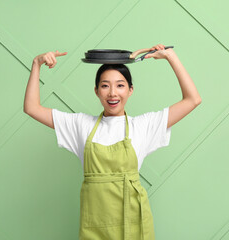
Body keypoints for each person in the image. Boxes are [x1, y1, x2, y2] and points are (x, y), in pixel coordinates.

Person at [23, 44, 201, 240]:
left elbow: (192, 99)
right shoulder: (80, 125)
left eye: (120, 85)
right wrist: (36, 65)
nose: (113, 93)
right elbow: (31, 108)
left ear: (131, 90)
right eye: (105, 85)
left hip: (133, 222)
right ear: (97, 91)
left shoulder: (143, 126)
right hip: (95, 226)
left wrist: (170, 57)